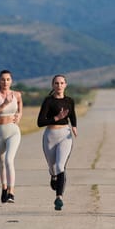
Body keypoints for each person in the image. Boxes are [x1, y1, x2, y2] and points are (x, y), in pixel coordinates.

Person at [37, 75, 77, 211]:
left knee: (61, 166)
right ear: (53, 85)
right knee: (53, 167)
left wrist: (74, 127)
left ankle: (59, 197)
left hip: (65, 135)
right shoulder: (48, 101)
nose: (59, 85)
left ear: (65, 85)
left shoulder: (70, 101)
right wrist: (56, 117)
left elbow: (72, 115)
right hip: (50, 136)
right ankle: (53, 175)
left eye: (61, 83)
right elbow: (40, 122)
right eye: (56, 83)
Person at [0, 70, 22, 204]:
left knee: (9, 160)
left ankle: (11, 192)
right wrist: (4, 104)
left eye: (8, 79)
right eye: (2, 79)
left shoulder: (17, 94)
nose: (5, 82)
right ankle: (4, 188)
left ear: (11, 81)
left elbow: (20, 106)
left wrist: (19, 115)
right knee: (1, 163)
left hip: (13, 131)